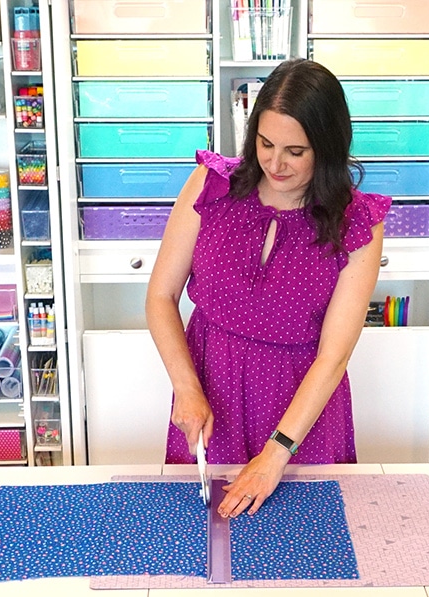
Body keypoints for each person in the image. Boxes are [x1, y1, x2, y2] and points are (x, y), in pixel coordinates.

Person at [145, 59, 390, 518]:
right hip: (209, 386)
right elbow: (160, 297)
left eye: (295, 151)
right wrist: (186, 386)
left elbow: (334, 354)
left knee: (309, 544)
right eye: (265, 143)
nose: (275, 163)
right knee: (201, 538)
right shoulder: (210, 185)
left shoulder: (358, 222)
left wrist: (277, 452)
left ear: (327, 148)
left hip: (300, 409)